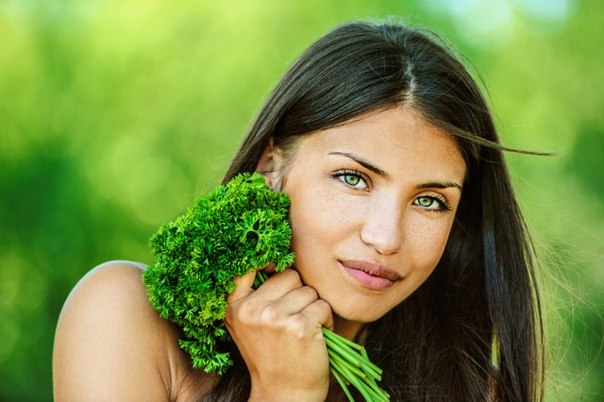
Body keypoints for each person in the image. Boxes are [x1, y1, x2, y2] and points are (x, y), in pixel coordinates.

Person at [53, 19, 544, 401]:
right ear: (272, 167)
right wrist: (285, 392)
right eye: (354, 178)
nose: (386, 237)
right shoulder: (127, 320)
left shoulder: (475, 391)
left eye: (429, 201)